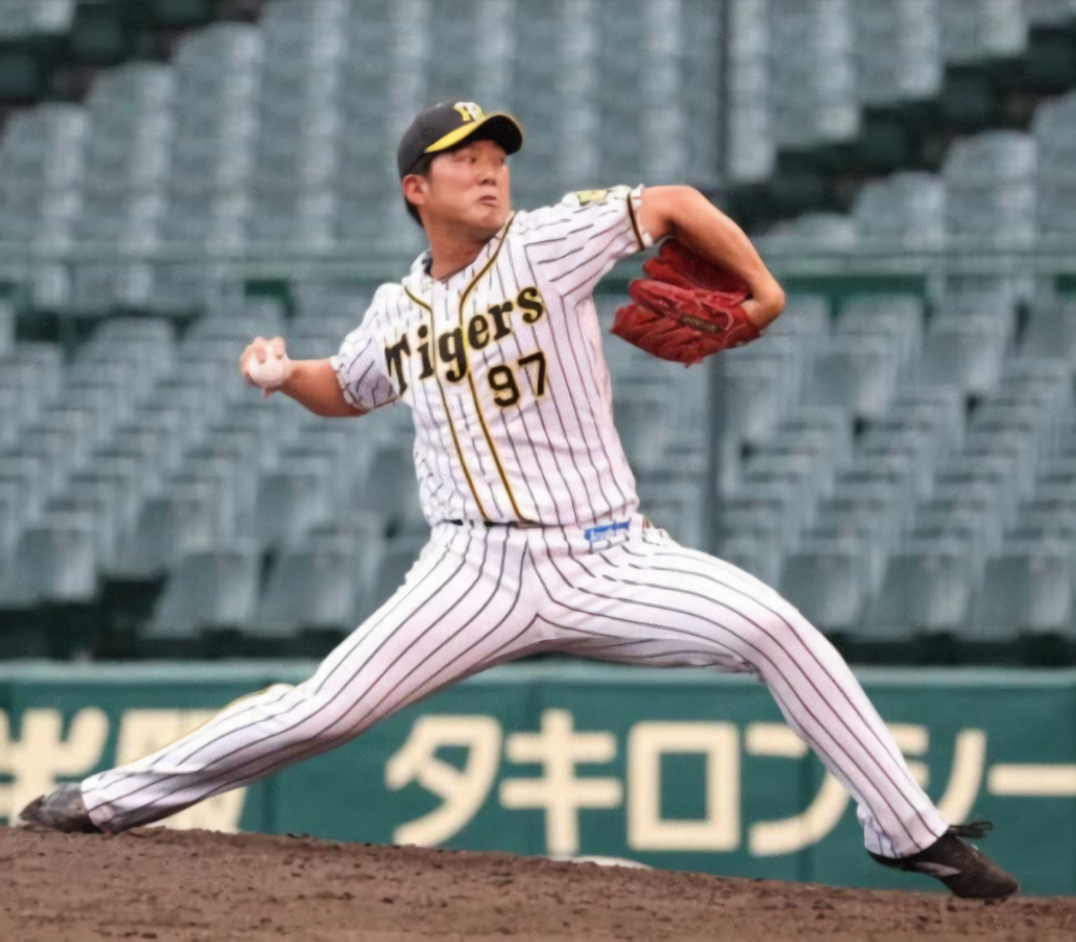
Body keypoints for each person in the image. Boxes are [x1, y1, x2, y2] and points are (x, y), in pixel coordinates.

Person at [22, 102, 1017, 900]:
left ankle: (905, 829)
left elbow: (671, 203)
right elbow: (351, 389)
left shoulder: (545, 244)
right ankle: (104, 802)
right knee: (320, 711)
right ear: (417, 190)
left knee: (774, 628)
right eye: (465, 159)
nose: (491, 169)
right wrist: (286, 378)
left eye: (497, 155)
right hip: (472, 569)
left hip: (609, 554)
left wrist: (761, 288)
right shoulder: (395, 307)